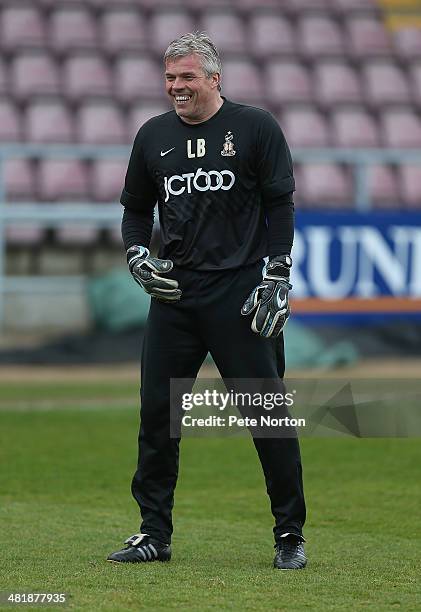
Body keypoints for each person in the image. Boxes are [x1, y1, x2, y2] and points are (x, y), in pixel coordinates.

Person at [107, 32, 307, 570]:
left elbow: (280, 206)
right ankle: (154, 534)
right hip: (174, 296)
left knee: (266, 416)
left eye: (187, 77)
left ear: (214, 80)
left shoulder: (256, 127)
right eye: (170, 78)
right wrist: (136, 255)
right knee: (157, 415)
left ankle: (289, 534)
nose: (176, 87)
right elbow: (134, 212)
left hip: (239, 295)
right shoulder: (152, 136)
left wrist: (277, 275)